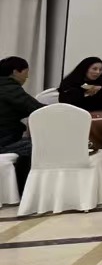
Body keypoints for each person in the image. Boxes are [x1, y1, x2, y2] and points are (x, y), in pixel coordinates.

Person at [0, 57, 43, 190]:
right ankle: (24, 190)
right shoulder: (10, 88)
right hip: (4, 141)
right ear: (15, 72)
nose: (27, 77)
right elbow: (36, 108)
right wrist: (64, 110)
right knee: (39, 147)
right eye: (26, 73)